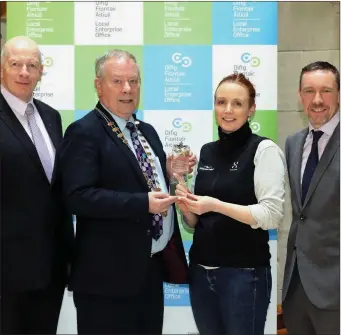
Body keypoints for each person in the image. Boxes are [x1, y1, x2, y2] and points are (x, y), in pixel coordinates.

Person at [58, 49, 196, 334]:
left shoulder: (147, 132)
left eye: (134, 82)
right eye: (118, 81)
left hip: (148, 273)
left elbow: (141, 181)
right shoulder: (83, 132)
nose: (127, 89)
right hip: (105, 282)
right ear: (99, 85)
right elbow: (77, 197)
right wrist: (141, 203)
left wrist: (169, 175)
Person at [174, 72, 286, 335]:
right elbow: (197, 222)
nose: (227, 110)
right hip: (201, 272)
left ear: (251, 109)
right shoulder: (207, 151)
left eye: (237, 103)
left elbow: (271, 215)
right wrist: (187, 206)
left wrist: (215, 204)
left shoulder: (264, 150)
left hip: (244, 275)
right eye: (221, 102)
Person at [0, 36, 74, 334]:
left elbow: (54, 189)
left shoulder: (51, 116)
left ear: (41, 71)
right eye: (15, 64)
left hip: (50, 266)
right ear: (2, 68)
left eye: (32, 65)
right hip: (6, 271)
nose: (23, 72)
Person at [282, 61, 340, 335]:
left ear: (338, 94)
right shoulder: (293, 143)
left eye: (326, 91)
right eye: (309, 91)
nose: (317, 100)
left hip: (335, 292)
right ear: (299, 96)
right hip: (296, 289)